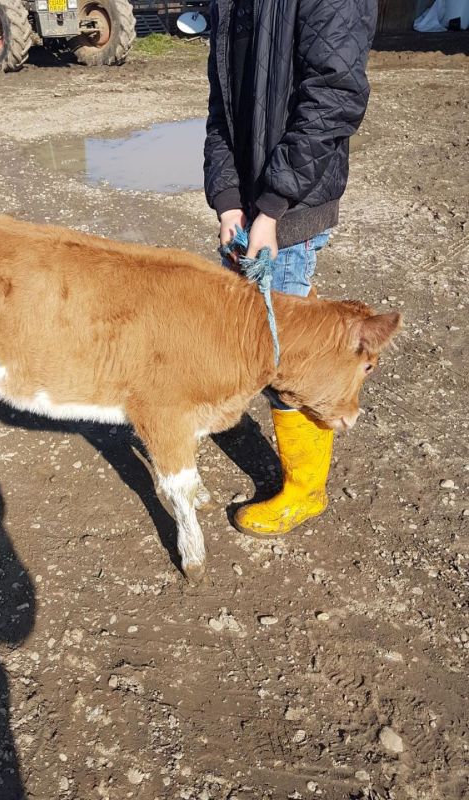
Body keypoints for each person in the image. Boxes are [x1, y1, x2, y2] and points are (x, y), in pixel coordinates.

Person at [204, 0, 378, 536]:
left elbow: (336, 97)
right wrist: (228, 196)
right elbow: (223, 103)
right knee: (264, 329)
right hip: (252, 209)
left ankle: (306, 491)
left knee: (288, 358)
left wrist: (274, 206)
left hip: (290, 209)